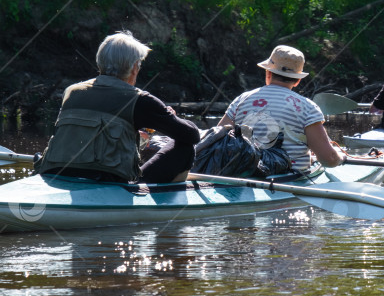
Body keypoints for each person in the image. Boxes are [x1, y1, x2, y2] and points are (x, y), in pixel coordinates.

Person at [36, 31, 201, 184]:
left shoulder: (72, 91)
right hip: (108, 183)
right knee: (185, 148)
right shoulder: (141, 100)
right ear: (134, 67)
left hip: (55, 174)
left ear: (100, 61)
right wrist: (170, 118)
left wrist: (139, 134)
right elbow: (192, 135)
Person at [217, 45, 344, 170]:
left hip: (241, 174)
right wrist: (340, 158)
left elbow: (216, 139)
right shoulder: (308, 107)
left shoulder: (241, 99)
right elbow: (329, 160)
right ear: (297, 80)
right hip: (288, 180)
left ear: (268, 73)